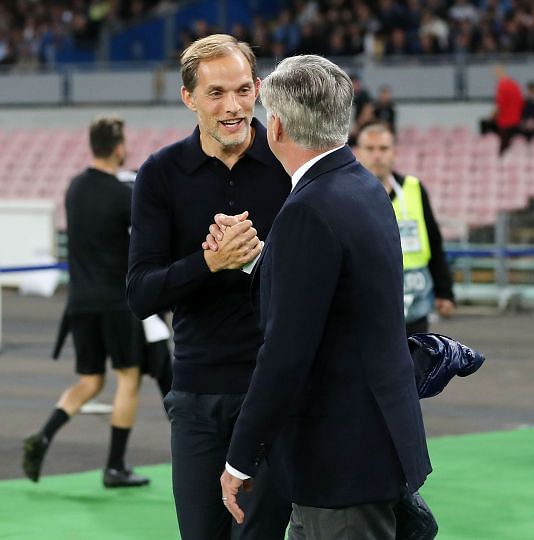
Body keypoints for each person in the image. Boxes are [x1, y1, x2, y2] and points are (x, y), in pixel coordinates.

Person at [220, 54, 431, 540]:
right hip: (373, 445)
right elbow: (340, 300)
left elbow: (286, 353)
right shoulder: (364, 187)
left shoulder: (309, 209)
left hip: (338, 461)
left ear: (275, 127)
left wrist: (240, 455)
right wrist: (261, 261)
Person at [126, 34, 292, 539]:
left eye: (243, 90)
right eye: (216, 93)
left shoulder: (293, 165)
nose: (234, 106)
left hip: (275, 390)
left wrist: (264, 259)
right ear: (189, 98)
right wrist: (209, 262)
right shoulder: (160, 174)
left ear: (259, 89)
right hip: (197, 394)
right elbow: (141, 294)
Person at [23, 116, 168, 489]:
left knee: (89, 381)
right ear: (119, 148)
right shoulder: (123, 195)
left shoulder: (74, 188)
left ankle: (43, 435)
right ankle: (115, 466)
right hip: (116, 302)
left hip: (79, 302)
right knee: (128, 378)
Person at [354, 121, 455, 336]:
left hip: (414, 307)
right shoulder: (346, 193)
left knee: (415, 368)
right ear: (358, 152)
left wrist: (444, 291)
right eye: (370, 149)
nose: (377, 156)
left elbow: (434, 242)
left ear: (394, 152)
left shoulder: (414, 189)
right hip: (367, 308)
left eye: (383, 148)